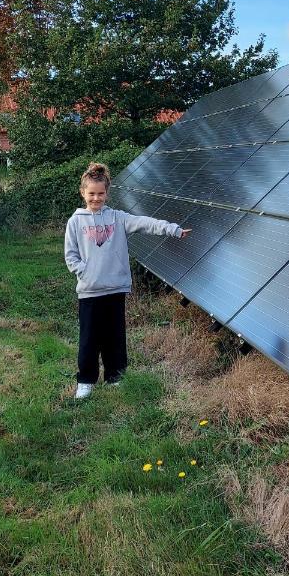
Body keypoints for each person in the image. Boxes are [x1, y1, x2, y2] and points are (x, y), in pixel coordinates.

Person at [64, 161, 191, 399]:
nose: (96, 198)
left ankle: (115, 377)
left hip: (115, 289)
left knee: (115, 337)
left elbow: (145, 223)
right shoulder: (76, 221)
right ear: (83, 193)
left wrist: (171, 229)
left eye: (101, 194)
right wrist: (84, 271)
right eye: (91, 193)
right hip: (90, 292)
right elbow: (70, 255)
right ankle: (86, 381)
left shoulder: (118, 218)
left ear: (107, 193)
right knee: (89, 339)